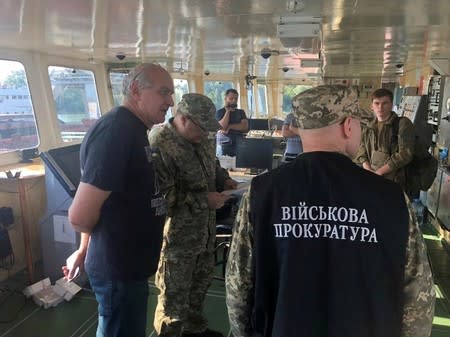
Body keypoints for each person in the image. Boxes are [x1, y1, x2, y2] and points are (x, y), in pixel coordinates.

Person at [226, 85, 435, 337]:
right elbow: (417, 298)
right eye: (359, 124)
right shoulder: (391, 198)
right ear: (348, 126)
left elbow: (238, 287)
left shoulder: (261, 193)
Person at [62, 63, 174, 337]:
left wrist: (84, 248)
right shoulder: (116, 132)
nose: (170, 101)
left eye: (171, 93)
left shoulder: (134, 130)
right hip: (118, 270)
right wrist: (89, 248)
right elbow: (80, 216)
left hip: (128, 267)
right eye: (163, 92)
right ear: (136, 90)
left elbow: (104, 200)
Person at [150, 93, 237, 337]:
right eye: (202, 128)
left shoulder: (202, 136)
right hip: (178, 239)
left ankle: (196, 331)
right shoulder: (159, 144)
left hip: (205, 233)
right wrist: (204, 200)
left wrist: (224, 179)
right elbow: (161, 199)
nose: (206, 134)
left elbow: (213, 164)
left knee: (198, 290)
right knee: (172, 302)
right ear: (183, 119)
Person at [356, 88, 415, 192]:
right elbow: (361, 150)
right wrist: (368, 171)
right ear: (371, 106)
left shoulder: (402, 124)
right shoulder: (368, 127)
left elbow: (406, 154)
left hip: (395, 183)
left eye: (385, 103)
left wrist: (379, 172)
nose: (380, 107)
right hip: (372, 181)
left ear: (391, 105)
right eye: (377, 103)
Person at [216, 88, 249, 156]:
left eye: (236, 99)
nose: (234, 101)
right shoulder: (220, 112)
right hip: (224, 144)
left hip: (240, 143)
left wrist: (230, 126)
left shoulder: (241, 112)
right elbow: (223, 127)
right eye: (231, 98)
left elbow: (245, 127)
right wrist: (227, 111)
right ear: (225, 99)